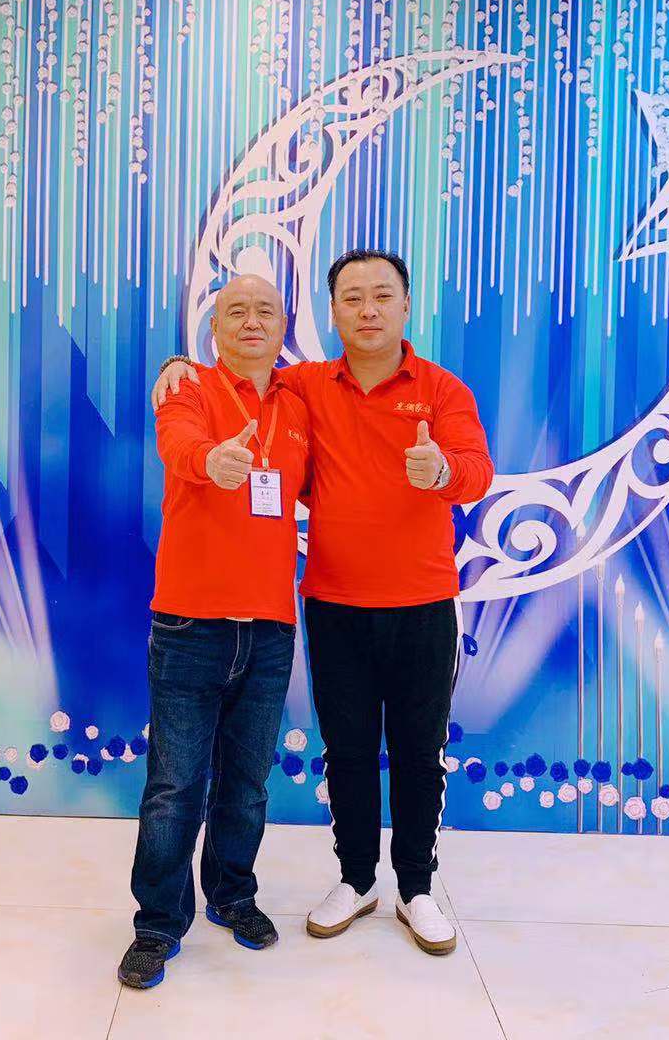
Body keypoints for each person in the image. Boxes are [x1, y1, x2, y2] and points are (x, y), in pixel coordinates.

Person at [151, 249, 494, 956]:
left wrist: (443, 471)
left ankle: (416, 887)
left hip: (425, 601)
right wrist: (174, 364)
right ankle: (357, 878)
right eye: (352, 298)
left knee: (419, 751)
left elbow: (478, 472)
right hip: (333, 603)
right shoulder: (304, 385)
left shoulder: (443, 389)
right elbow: (233, 375)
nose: (368, 310)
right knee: (346, 750)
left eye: (382, 296)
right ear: (331, 312)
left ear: (406, 305)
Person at [119, 274, 312, 990]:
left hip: (270, 627)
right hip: (190, 623)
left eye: (266, 311)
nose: (252, 321)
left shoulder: (301, 400)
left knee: (248, 782)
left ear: (283, 325)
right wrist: (212, 460)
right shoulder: (188, 388)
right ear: (215, 327)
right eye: (237, 311)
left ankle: (232, 895)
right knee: (175, 785)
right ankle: (157, 924)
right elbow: (179, 447)